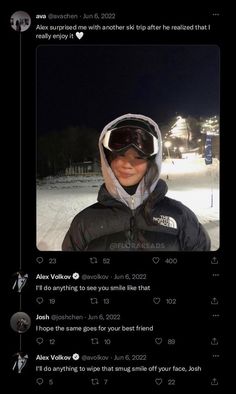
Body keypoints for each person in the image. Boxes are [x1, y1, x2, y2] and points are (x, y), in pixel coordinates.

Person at [62, 113, 211, 251]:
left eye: (138, 157)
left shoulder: (180, 216)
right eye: (120, 155)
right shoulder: (84, 223)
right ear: (107, 159)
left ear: (151, 164)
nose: (127, 164)